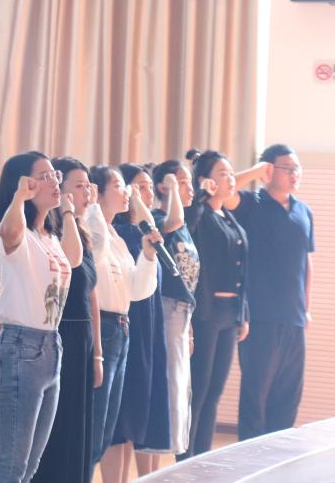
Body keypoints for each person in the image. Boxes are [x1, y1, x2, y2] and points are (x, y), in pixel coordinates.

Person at [0, 152, 82, 483]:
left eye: (55, 174)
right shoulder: (14, 230)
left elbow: (74, 258)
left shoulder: (50, 237)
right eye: (44, 176)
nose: (54, 180)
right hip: (20, 347)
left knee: (30, 466)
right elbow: (10, 233)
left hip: (50, 345)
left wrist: (67, 211)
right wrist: (19, 197)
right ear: (25, 183)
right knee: (12, 464)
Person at [227, 143, 314, 440]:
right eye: (287, 168)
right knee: (256, 395)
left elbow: (307, 261)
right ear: (269, 170)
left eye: (297, 168)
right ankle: (251, 459)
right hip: (259, 317)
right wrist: (254, 172)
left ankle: (278, 457)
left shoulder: (304, 211)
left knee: (288, 396)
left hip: (294, 318)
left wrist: (306, 307)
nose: (294, 174)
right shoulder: (252, 204)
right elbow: (225, 192)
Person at [83, 165, 159, 483]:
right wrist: (92, 209)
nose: (126, 191)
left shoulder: (116, 236)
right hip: (102, 327)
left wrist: (148, 255)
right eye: (117, 185)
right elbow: (94, 257)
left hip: (122, 328)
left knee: (106, 428)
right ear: (98, 193)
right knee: (94, 425)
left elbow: (137, 290)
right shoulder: (91, 227)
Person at [31, 157, 100, 483]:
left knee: (79, 426)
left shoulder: (83, 234)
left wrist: (98, 353)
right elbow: (69, 266)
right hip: (61, 335)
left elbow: (92, 294)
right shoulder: (52, 233)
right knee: (57, 427)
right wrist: (69, 213)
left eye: (88, 186)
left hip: (84, 338)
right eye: (78, 186)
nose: (86, 192)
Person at [180, 149, 249, 459]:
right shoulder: (200, 214)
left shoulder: (229, 217)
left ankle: (202, 460)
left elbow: (242, 270)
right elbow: (188, 229)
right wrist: (199, 197)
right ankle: (186, 460)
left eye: (232, 173)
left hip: (229, 315)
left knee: (214, 395)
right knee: (198, 392)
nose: (231, 179)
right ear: (206, 180)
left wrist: (243, 313)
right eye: (223, 174)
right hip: (205, 315)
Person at [106, 164, 170, 479]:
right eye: (139, 186)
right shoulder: (121, 233)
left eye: (149, 187)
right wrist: (135, 199)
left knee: (140, 409)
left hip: (150, 324)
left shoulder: (147, 232)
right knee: (121, 416)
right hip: (128, 322)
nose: (147, 193)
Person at [142, 159, 199, 460]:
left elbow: (187, 281)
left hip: (181, 313)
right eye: (183, 182)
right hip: (166, 309)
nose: (190, 189)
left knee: (180, 388)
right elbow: (174, 220)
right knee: (170, 386)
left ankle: (170, 457)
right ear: (165, 186)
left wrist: (189, 328)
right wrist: (173, 187)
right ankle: (159, 456)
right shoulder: (157, 218)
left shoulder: (185, 229)